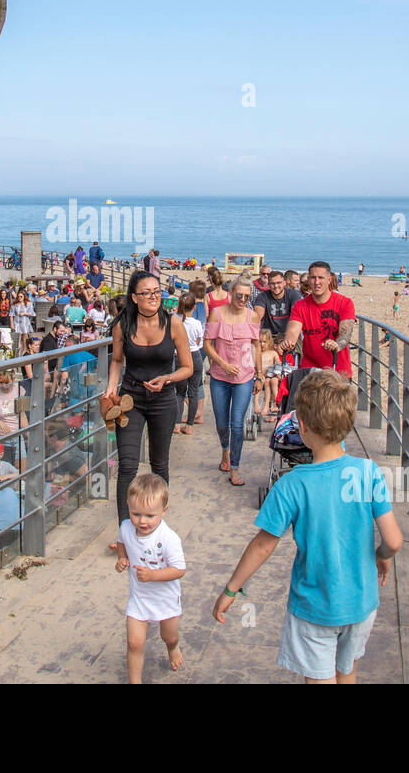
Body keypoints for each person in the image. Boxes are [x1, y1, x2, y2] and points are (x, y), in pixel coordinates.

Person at [213, 371, 402, 683]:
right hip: (361, 602)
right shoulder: (367, 471)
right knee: (347, 671)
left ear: (301, 426)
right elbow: (393, 540)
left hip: (315, 607)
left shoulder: (293, 484)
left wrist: (232, 588)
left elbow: (263, 545)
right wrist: (382, 556)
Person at [102, 270, 193, 528]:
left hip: (164, 399)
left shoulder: (173, 323)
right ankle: (124, 531)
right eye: (147, 293)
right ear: (134, 297)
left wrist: (167, 378)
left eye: (157, 292)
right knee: (127, 466)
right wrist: (110, 390)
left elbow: (187, 367)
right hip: (131, 400)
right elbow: (117, 360)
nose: (154, 297)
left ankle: (156, 525)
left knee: (159, 464)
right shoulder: (123, 324)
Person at [112, 473, 186, 683]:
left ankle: (172, 648)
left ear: (164, 511)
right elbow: (121, 542)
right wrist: (122, 559)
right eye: (136, 514)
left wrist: (153, 575)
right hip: (139, 599)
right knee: (134, 643)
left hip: (166, 598)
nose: (142, 521)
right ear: (127, 507)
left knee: (169, 636)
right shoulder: (126, 527)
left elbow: (179, 569)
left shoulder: (168, 538)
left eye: (149, 516)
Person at [203, 274, 262, 488]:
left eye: (247, 297)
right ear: (231, 294)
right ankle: (225, 450)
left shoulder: (253, 316)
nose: (243, 300)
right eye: (240, 295)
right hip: (220, 376)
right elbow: (207, 344)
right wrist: (222, 364)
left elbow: (257, 345)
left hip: (245, 377)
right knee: (221, 423)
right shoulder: (217, 315)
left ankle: (235, 467)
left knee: (237, 423)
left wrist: (259, 374)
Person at [283, 261, 356, 378]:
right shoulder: (300, 306)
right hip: (310, 371)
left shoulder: (344, 303)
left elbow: (345, 333)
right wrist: (288, 342)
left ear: (329, 279)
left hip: (338, 371)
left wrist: (337, 345)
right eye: (313, 278)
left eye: (321, 278)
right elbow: (293, 330)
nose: (317, 282)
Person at [173, 294, 204, 435]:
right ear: (194, 307)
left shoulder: (175, 320)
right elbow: (199, 341)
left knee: (179, 392)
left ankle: (177, 424)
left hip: (179, 356)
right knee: (193, 392)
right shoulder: (196, 323)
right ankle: (189, 425)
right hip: (195, 355)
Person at [253, 269, 302, 339]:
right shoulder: (262, 296)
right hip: (270, 335)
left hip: (290, 333)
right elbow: (257, 316)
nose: (276, 286)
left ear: (284, 283)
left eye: (279, 283)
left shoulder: (294, 294)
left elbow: (297, 316)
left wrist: (289, 339)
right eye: (272, 283)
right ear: (268, 284)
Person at [257, 329, 282, 418]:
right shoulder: (257, 353)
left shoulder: (273, 353)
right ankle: (261, 405)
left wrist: (278, 372)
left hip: (272, 376)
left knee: (271, 381)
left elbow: (278, 363)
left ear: (269, 342)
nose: (262, 344)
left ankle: (275, 403)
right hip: (261, 377)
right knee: (263, 381)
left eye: (264, 342)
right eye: (260, 342)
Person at [11, 290, 34, 355]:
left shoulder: (28, 304)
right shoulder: (15, 304)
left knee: (24, 340)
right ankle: (18, 353)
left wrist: (25, 313)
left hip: (24, 323)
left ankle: (23, 353)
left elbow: (32, 314)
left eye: (21, 296)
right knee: (17, 340)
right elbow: (11, 315)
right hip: (17, 323)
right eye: (18, 296)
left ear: (24, 297)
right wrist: (11, 324)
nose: (19, 298)